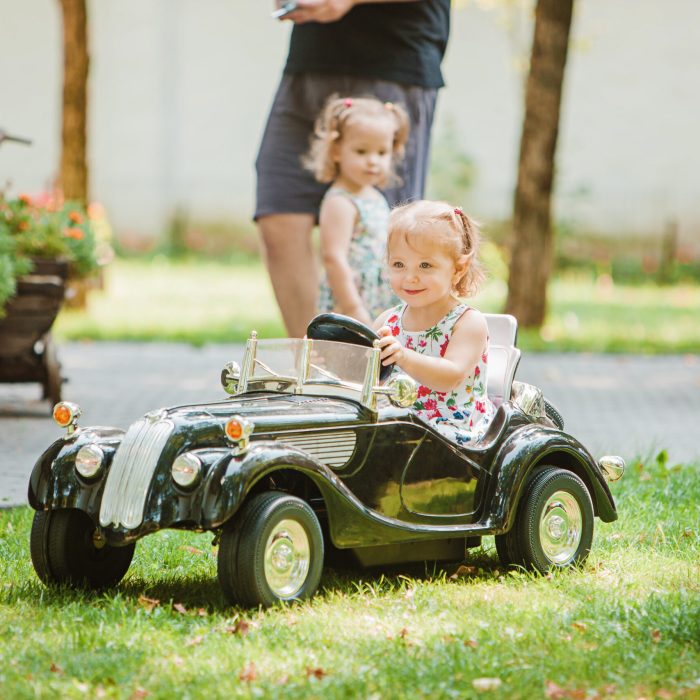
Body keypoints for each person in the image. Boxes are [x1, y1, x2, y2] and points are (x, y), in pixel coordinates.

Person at [256, 0, 452, 337]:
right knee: (279, 214)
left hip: (395, 57)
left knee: (391, 239)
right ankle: (313, 366)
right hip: (311, 58)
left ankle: (383, 368)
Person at [375, 200, 496, 445]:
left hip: (452, 428)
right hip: (398, 421)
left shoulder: (467, 323)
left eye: (425, 265)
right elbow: (363, 372)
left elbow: (449, 376)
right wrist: (332, 356)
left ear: (458, 269)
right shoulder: (388, 320)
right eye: (399, 264)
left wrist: (403, 356)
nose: (410, 277)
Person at [303, 95, 408, 324]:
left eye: (382, 153)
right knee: (350, 355)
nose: (373, 161)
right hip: (351, 297)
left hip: (378, 295)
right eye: (361, 152)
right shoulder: (340, 202)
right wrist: (352, 307)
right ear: (337, 151)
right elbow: (333, 257)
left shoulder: (375, 196)